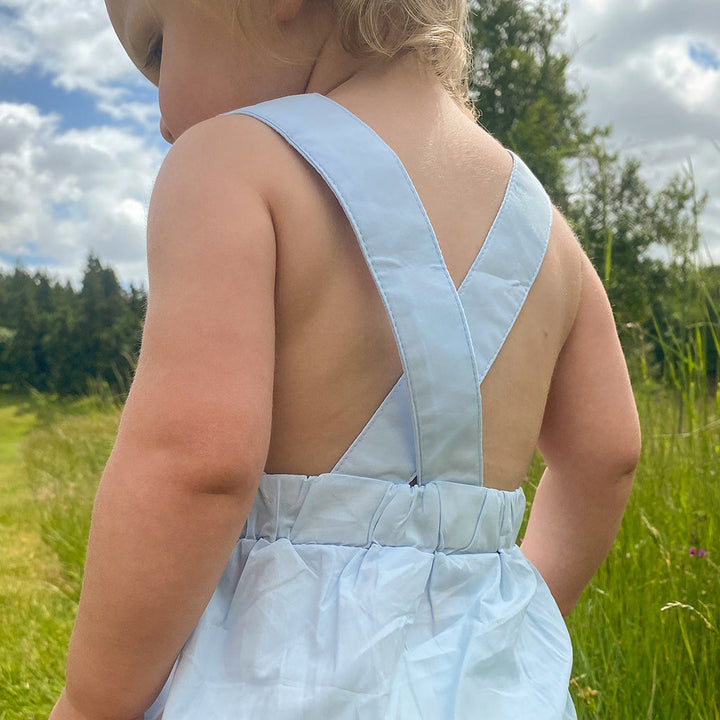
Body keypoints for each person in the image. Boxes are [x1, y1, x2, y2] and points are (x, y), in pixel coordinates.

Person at [49, 0, 641, 718]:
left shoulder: (228, 164)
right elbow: (608, 453)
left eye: (156, 52)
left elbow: (195, 464)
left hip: (275, 679)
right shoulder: (546, 230)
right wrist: (503, 619)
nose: (164, 115)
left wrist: (92, 701)